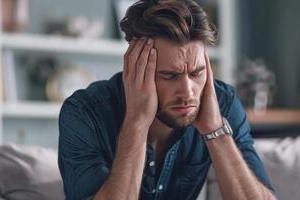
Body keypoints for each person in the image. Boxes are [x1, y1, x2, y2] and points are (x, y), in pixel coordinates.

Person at [58, 0, 276, 199]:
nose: (188, 93)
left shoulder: (222, 104)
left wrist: (214, 129)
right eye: (169, 75)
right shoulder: (84, 112)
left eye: (196, 73)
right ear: (136, 66)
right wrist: (137, 122)